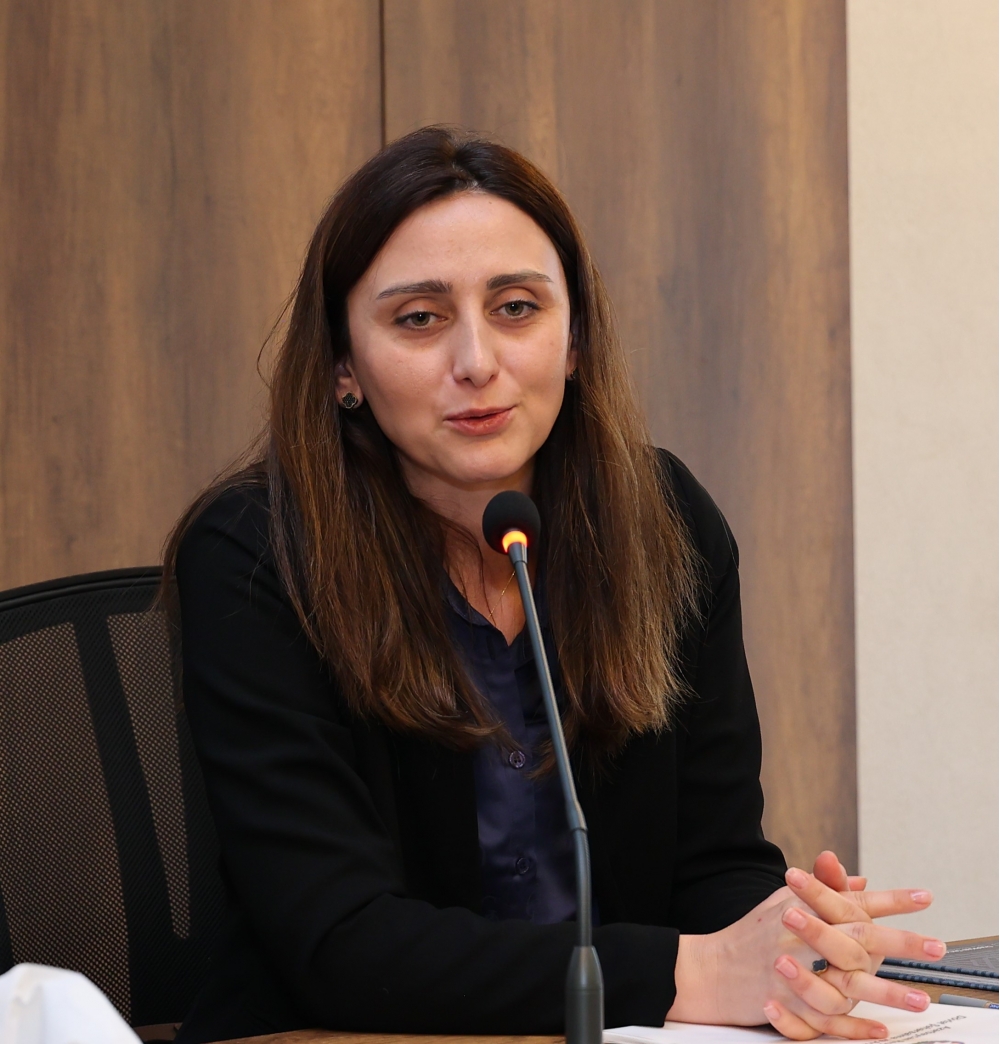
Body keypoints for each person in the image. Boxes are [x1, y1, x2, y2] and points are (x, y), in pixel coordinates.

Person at [168, 127, 943, 1044]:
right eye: (418, 319)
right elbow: (341, 945)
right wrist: (683, 972)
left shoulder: (664, 523)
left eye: (516, 308)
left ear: (573, 340)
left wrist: (790, 952)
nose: (476, 361)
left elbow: (716, 865)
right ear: (344, 366)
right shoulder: (256, 556)